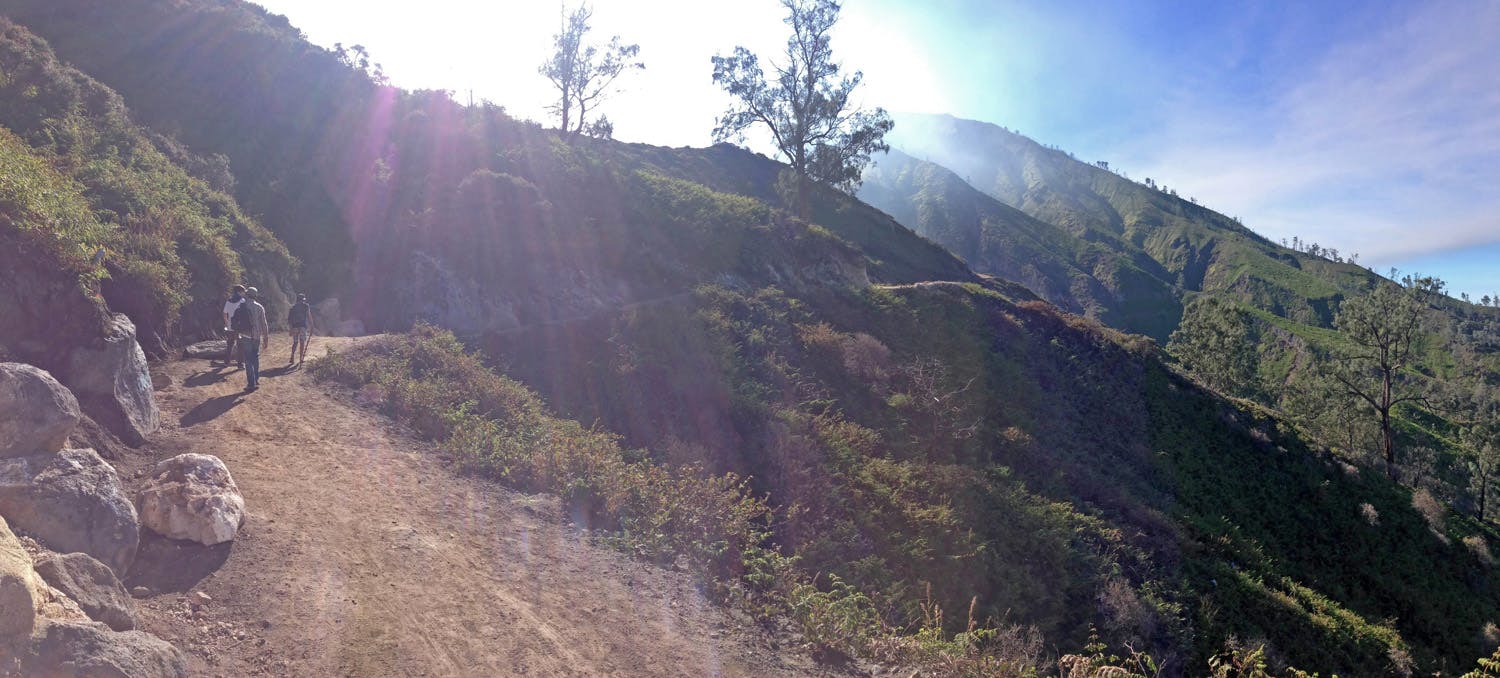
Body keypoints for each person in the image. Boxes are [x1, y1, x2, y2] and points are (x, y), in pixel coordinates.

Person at [236, 286, 270, 392]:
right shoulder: (260, 307)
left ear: (247, 295)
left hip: (245, 336)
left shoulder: (242, 306)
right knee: (255, 357)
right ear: (255, 296)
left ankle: (251, 383)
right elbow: (264, 324)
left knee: (248, 360)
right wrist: (266, 338)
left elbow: (237, 322)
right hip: (256, 337)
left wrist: (238, 333)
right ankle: (256, 379)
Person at [221, 285, 246, 368]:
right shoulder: (242, 301)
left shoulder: (229, 301)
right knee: (240, 345)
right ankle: (240, 364)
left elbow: (224, 313)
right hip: (239, 327)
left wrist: (227, 323)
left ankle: (226, 363)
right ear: (239, 292)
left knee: (230, 345)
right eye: (243, 291)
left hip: (230, 327)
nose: (244, 293)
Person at [287, 293, 314, 365]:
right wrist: (312, 325)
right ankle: (301, 358)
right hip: (302, 326)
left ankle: (292, 356)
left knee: (295, 342)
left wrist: (290, 329)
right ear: (303, 300)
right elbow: (309, 316)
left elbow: (290, 320)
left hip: (295, 326)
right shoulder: (306, 306)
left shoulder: (293, 307)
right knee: (302, 342)